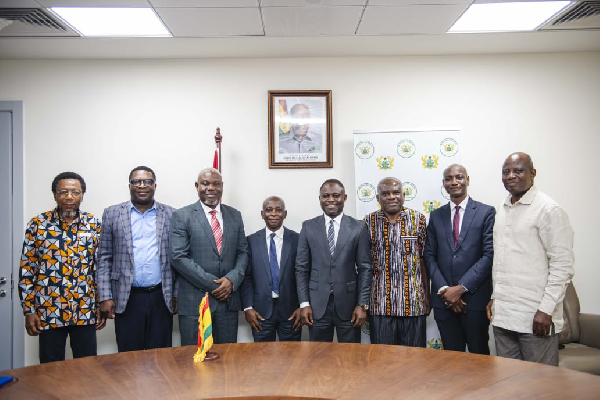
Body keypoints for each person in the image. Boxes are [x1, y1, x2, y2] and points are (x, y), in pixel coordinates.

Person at [487, 152, 574, 366]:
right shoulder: (503, 208)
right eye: (506, 172)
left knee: (540, 382)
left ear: (532, 174)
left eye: (518, 171)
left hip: (535, 318)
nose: (511, 176)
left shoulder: (548, 209)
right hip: (504, 316)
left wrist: (546, 310)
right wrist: (495, 297)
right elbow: (503, 260)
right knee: (508, 380)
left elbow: (562, 266)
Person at [18, 172, 103, 363]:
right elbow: (27, 269)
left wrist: (100, 304)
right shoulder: (38, 225)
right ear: (55, 195)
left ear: (82, 195)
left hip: (84, 309)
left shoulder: (93, 225)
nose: (69, 197)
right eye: (63, 192)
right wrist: (29, 310)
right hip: (49, 310)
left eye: (75, 192)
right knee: (50, 369)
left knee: (88, 368)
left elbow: (100, 268)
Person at [97, 166, 176, 352]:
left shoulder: (172, 214)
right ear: (129, 185)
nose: (142, 185)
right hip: (126, 297)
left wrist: (176, 294)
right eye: (136, 182)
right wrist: (105, 296)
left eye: (147, 181)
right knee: (129, 356)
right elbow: (104, 257)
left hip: (161, 296)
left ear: (155, 185)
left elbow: (178, 258)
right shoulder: (112, 214)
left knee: (161, 356)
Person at [169, 168, 248, 345]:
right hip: (195, 303)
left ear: (222, 187)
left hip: (228, 303)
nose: (211, 188)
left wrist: (231, 280)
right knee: (194, 356)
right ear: (197, 186)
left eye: (216, 184)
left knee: (227, 357)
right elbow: (178, 257)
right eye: (205, 184)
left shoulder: (235, 215)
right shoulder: (182, 216)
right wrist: (215, 286)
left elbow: (243, 252)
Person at [424, 164, 495, 354]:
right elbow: (429, 255)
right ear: (444, 183)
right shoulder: (436, 215)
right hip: (443, 301)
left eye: (459, 177)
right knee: (451, 359)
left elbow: (489, 255)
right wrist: (445, 290)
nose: (454, 182)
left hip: (474, 300)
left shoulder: (486, 212)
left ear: (467, 180)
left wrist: (460, 288)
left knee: (479, 357)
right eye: (449, 179)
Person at [295, 179, 372, 343]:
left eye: (336, 195)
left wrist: (362, 305)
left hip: (350, 306)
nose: (330, 200)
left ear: (345, 197)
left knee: (350, 355)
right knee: (319, 355)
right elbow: (301, 268)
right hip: (316, 305)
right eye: (326, 196)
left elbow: (365, 268)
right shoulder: (308, 227)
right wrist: (304, 303)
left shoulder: (358, 227)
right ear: (320, 198)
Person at [364, 177, 430, 347]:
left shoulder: (418, 219)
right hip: (380, 305)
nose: (391, 197)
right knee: (382, 359)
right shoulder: (368, 222)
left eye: (396, 192)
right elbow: (364, 266)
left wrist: (427, 297)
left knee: (415, 358)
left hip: (413, 303)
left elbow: (424, 261)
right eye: (385, 194)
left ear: (403, 195)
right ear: (378, 198)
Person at [240, 196, 302, 341]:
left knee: (291, 353)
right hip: (260, 312)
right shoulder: (251, 241)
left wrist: (303, 305)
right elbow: (247, 277)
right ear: (262, 214)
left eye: (278, 210)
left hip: (292, 311)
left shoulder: (298, 240)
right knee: (262, 353)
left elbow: (304, 274)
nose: (273, 214)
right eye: (269, 210)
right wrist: (248, 307)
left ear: (285, 214)